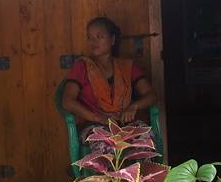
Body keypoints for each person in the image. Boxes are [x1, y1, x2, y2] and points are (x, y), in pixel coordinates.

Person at [61, 17, 158, 154]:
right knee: (106, 146)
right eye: (90, 37)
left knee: (146, 140)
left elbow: (152, 95)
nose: (93, 42)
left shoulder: (127, 66)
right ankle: (108, 176)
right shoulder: (81, 67)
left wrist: (134, 106)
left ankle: (140, 176)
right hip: (94, 125)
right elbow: (67, 101)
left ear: (112, 40)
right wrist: (99, 118)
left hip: (125, 124)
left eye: (99, 36)